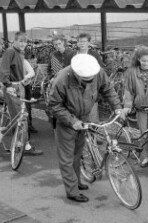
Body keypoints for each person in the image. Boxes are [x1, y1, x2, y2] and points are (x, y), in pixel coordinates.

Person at [48, 54, 129, 203]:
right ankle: (72, 191)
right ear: (77, 75)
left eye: (91, 79)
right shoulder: (62, 79)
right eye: (86, 80)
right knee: (67, 158)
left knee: (77, 154)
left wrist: (118, 108)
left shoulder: (96, 72)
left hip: (84, 117)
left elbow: (108, 90)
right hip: (66, 121)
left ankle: (77, 181)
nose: (90, 81)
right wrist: (72, 121)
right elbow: (54, 105)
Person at [0, 31, 43, 156]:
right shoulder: (10, 51)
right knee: (20, 116)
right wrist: (8, 85)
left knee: (18, 116)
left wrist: (24, 79)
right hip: (12, 87)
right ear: (15, 41)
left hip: (19, 86)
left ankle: (19, 143)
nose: (23, 43)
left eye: (25, 41)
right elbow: (3, 70)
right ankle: (26, 146)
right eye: (20, 41)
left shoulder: (19, 52)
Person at [123, 45, 148, 169]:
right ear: (138, 59)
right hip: (140, 108)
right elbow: (128, 91)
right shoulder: (132, 72)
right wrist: (127, 106)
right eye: (144, 61)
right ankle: (145, 157)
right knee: (143, 134)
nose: (146, 63)